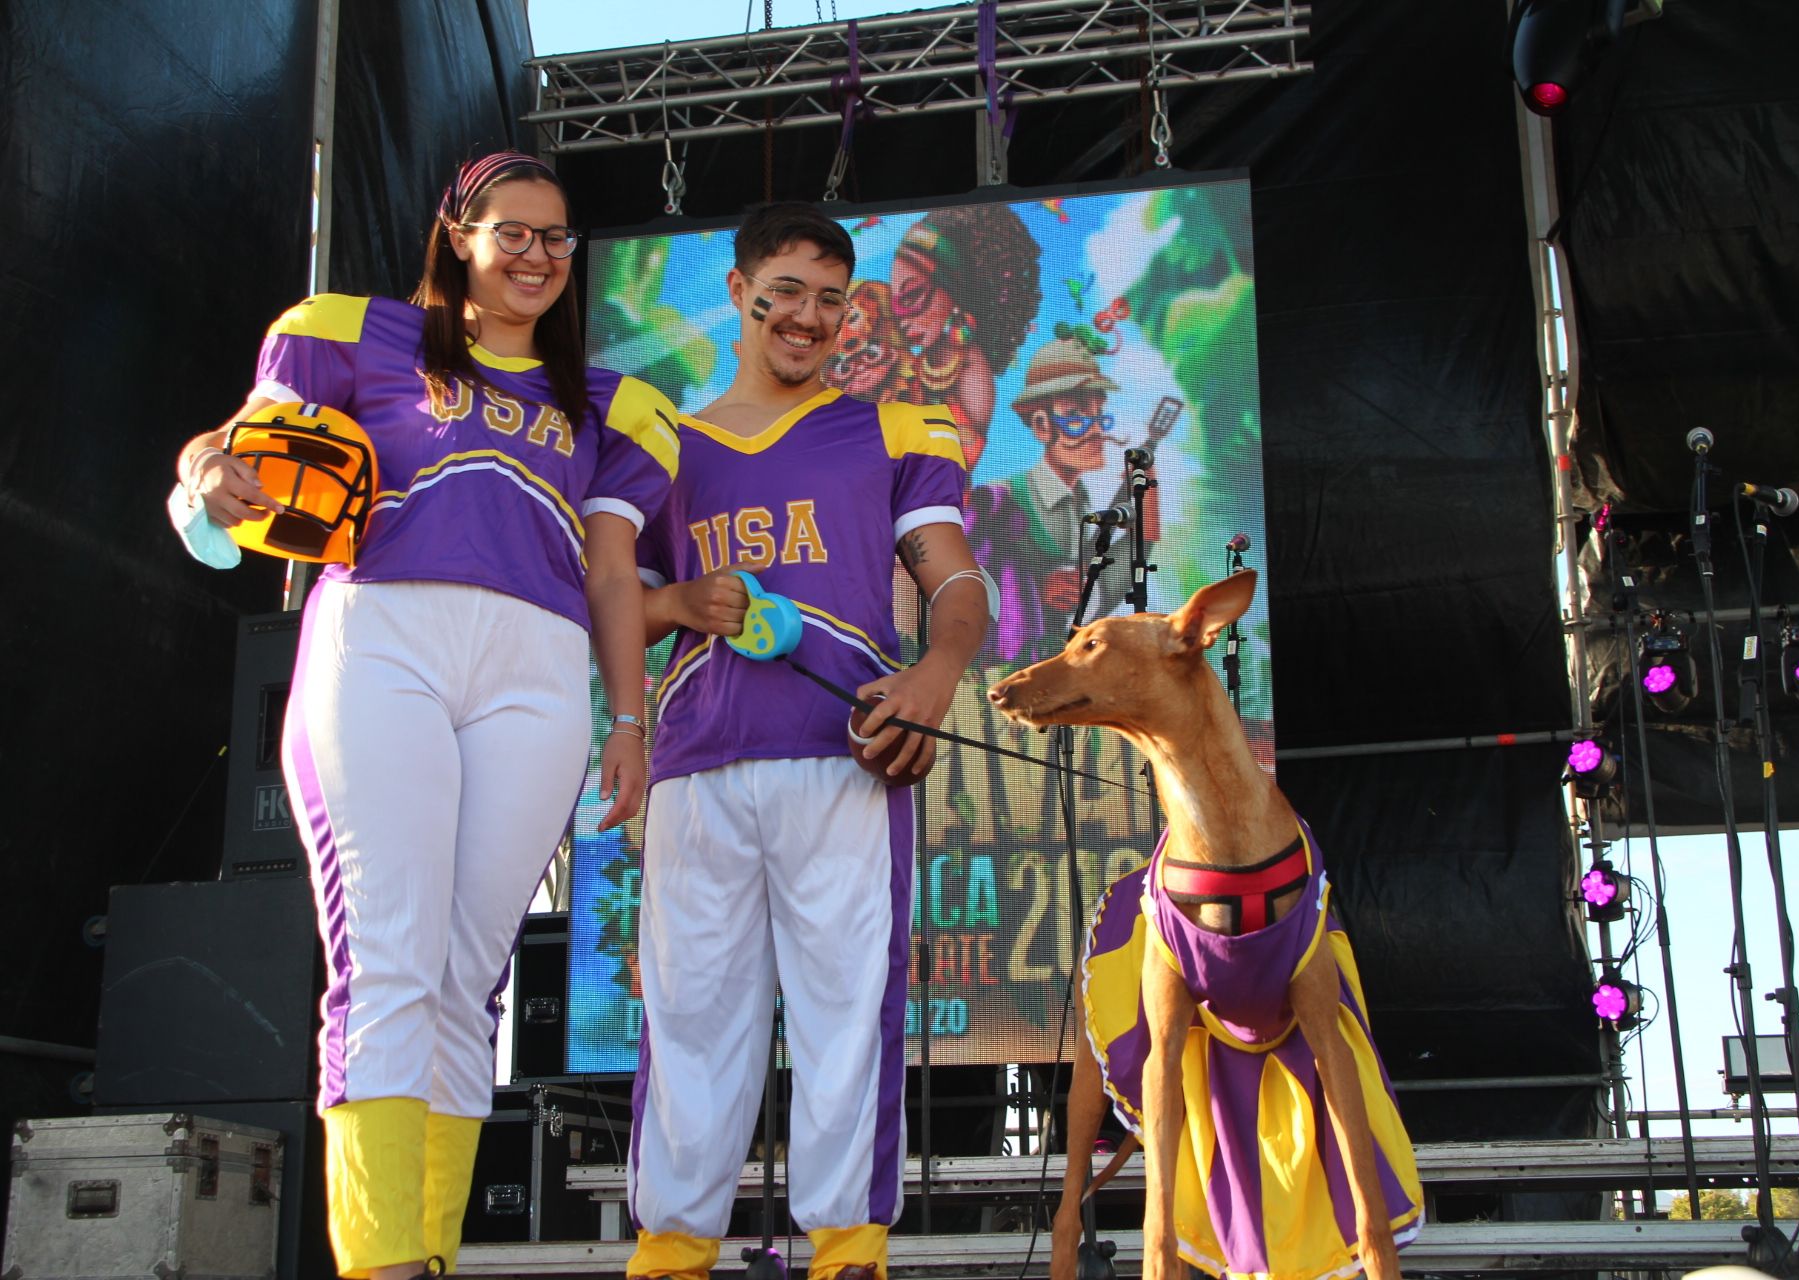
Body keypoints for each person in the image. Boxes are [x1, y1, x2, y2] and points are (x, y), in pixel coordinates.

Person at [171, 151, 677, 1280]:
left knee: (469, 977)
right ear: (458, 232)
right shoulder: (350, 332)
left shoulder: (609, 403)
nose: (540, 255)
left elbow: (609, 577)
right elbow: (235, 449)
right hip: (383, 636)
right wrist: (205, 476)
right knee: (390, 957)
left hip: (540, 671)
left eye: (557, 237)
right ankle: (382, 1261)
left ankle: (430, 1252)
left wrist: (630, 721)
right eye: (515, 231)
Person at [623, 202, 991, 1280]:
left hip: (845, 758)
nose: (809, 316)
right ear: (739, 293)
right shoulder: (665, 450)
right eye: (786, 291)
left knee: (844, 1014)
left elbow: (955, 576)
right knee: (690, 1014)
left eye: (832, 298)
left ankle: (848, 1251)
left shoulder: (891, 426)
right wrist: (685, 597)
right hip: (697, 762)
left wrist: (937, 671)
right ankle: (671, 1248)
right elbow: (621, 608)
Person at [969, 330, 1144, 665]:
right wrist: (1034, 585)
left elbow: (1100, 596)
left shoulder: (1082, 506)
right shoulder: (998, 501)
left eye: (1099, 417)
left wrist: (1146, 505)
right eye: (1077, 417)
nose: (1095, 432)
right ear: (1041, 425)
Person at [887, 203, 1041, 469]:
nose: (900, 318)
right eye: (893, 304)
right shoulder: (919, 364)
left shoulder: (971, 372)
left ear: (955, 289)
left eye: (912, 296)